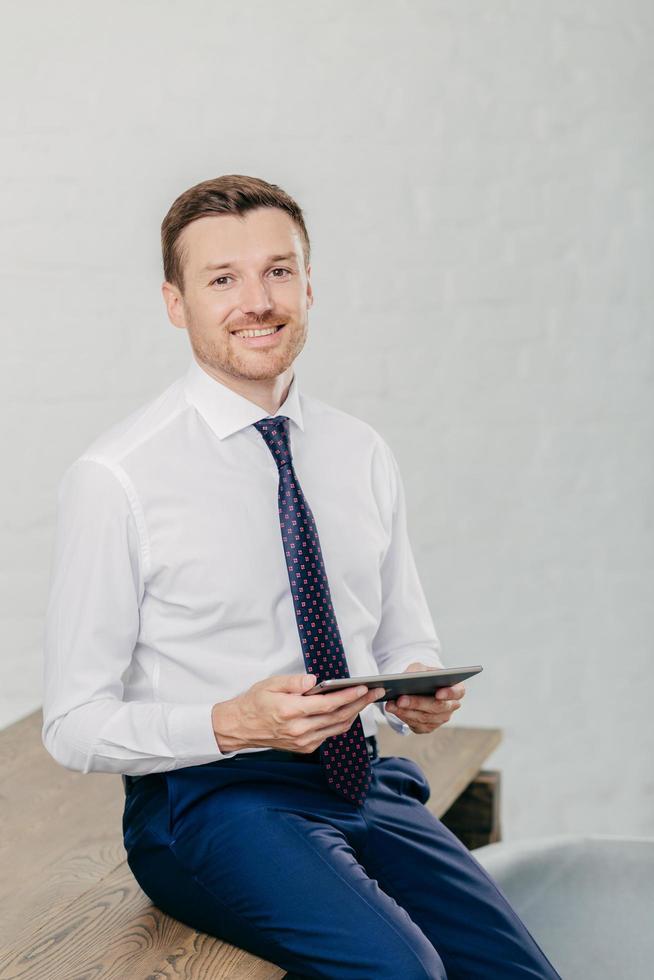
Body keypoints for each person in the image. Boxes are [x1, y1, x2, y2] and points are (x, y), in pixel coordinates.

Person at [42, 174, 561, 979]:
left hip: (359, 780)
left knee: (520, 973)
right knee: (402, 974)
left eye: (278, 271)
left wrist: (417, 687)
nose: (258, 300)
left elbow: (402, 635)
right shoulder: (117, 478)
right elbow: (72, 723)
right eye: (223, 279)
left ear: (309, 285)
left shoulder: (361, 452)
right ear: (176, 303)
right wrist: (230, 723)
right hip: (209, 803)